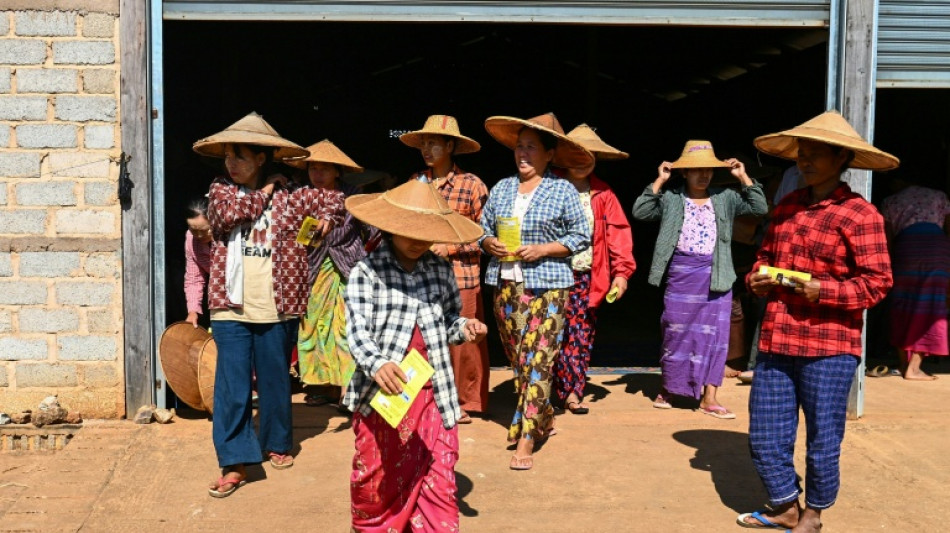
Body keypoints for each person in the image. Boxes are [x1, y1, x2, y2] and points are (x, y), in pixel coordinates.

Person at [740, 111, 897, 532]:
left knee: (823, 440)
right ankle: (785, 505)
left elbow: (878, 283)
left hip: (830, 345)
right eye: (801, 155)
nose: (803, 162)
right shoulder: (787, 205)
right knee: (766, 434)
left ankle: (814, 514)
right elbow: (765, 257)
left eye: (814, 155)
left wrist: (823, 291)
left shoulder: (860, 215)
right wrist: (757, 277)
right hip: (777, 336)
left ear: (841, 158)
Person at [194, 112, 345, 498]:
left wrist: (326, 217)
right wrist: (262, 195)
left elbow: (335, 199)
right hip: (230, 305)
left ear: (262, 158)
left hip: (278, 304)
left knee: (277, 381)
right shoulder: (221, 190)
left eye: (241, 157)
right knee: (232, 387)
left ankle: (276, 443)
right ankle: (234, 462)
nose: (232, 164)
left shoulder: (293, 195)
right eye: (229, 157)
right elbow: (227, 217)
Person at [343, 179, 488, 532]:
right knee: (376, 480)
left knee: (439, 474)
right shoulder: (367, 272)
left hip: (432, 395)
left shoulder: (439, 269)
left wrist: (465, 328)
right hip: (383, 397)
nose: (417, 241)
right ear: (390, 228)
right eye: (409, 231)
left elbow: (450, 319)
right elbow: (357, 332)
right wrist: (378, 364)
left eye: (426, 233)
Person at [480, 112, 593, 470]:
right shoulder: (501, 188)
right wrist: (489, 243)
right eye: (519, 147)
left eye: (531, 147)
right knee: (520, 361)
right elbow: (481, 228)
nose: (523, 153)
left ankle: (526, 437)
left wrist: (544, 249)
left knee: (540, 360)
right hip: (507, 287)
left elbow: (580, 236)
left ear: (549, 154)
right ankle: (543, 417)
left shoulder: (562, 190)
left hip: (549, 286)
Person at [632, 140, 767, 419]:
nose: (703, 175)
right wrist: (660, 180)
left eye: (707, 169)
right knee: (675, 332)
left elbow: (759, 207)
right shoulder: (671, 199)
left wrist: (742, 176)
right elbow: (641, 211)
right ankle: (669, 388)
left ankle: (710, 397)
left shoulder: (725, 198)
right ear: (684, 173)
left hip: (717, 275)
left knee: (715, 337)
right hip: (681, 274)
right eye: (696, 170)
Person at [400, 114, 490, 422]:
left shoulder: (471, 185)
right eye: (423, 143)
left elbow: (485, 235)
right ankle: (429, 397)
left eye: (434, 143)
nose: (427, 149)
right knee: (425, 337)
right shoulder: (415, 183)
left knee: (465, 342)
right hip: (422, 275)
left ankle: (466, 402)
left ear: (450, 145)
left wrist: (448, 247)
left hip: (461, 275)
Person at [553, 124, 636, 414]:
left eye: (589, 154)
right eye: (575, 153)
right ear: (561, 157)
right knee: (547, 334)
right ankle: (543, 391)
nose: (581, 159)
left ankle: (572, 392)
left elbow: (619, 235)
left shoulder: (603, 193)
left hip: (585, 277)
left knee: (578, 335)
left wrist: (622, 274)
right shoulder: (546, 187)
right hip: (546, 275)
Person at [287, 140, 373, 406]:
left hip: (348, 270)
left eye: (324, 169)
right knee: (314, 325)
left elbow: (373, 230)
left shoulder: (352, 196)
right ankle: (321, 385)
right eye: (313, 168)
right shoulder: (298, 196)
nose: (318, 174)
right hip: (312, 271)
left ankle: (349, 386)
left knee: (346, 327)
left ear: (337, 171)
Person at [880, 178, 950, 380]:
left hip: (906, 249)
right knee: (932, 305)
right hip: (936, 250)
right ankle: (915, 367)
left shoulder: (890, 201)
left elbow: (888, 239)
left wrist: (889, 265)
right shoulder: (939, 196)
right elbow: (948, 229)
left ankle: (904, 365)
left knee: (902, 304)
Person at [184, 198, 213, 328]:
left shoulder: (230, 237)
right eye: (193, 229)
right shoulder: (191, 239)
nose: (199, 236)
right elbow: (194, 278)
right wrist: (193, 310)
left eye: (204, 230)